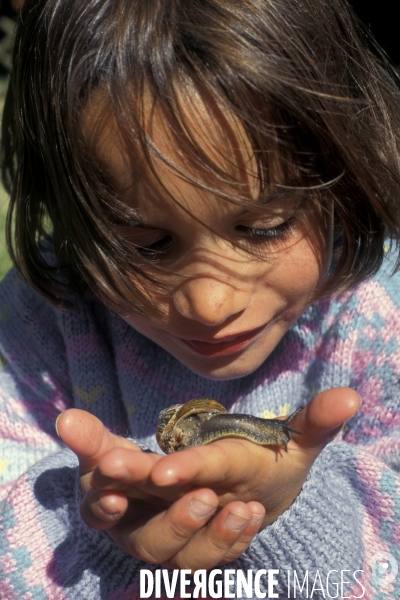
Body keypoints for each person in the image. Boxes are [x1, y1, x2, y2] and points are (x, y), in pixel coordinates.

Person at [1, 0, 400, 597]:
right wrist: (99, 526)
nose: (210, 305)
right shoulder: (43, 321)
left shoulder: (377, 321)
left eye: (265, 226)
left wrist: (290, 508)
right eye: (146, 244)